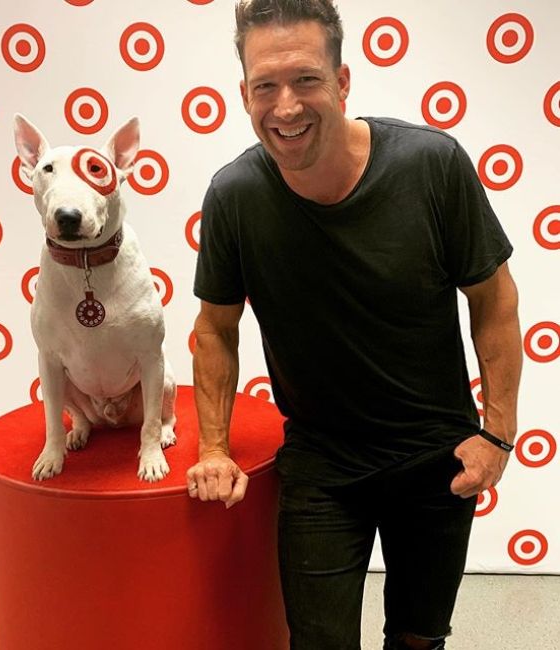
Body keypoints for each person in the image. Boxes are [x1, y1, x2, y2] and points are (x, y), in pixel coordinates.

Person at [185, 1, 522, 648]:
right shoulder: (235, 196)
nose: (285, 105)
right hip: (322, 462)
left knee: (419, 639)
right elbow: (215, 329)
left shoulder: (432, 166)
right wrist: (212, 447)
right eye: (266, 86)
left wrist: (498, 434)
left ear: (342, 82)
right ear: (244, 94)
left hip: (436, 456)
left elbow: (494, 300)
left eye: (306, 79)